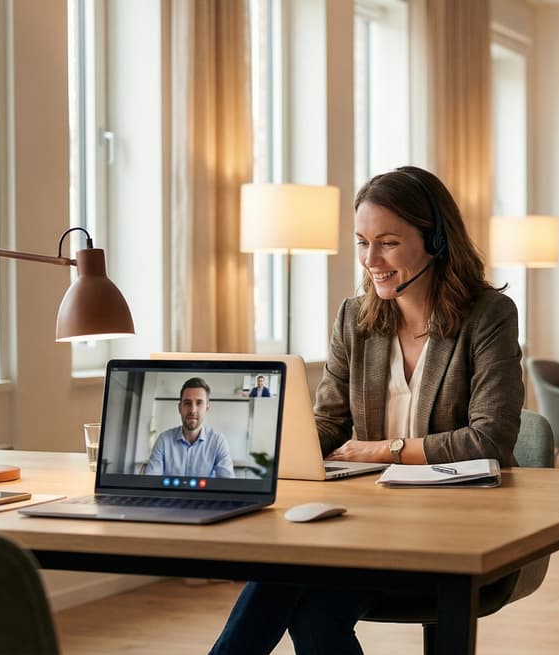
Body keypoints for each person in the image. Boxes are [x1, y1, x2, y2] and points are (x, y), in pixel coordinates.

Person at [210, 166, 524, 655]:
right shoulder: (355, 318)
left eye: (388, 243)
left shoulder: (487, 316)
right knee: (298, 593)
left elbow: (489, 441)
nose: (371, 260)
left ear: (436, 240)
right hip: (367, 527)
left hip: (459, 532)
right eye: (362, 242)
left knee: (298, 593)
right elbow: (331, 422)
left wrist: (388, 449)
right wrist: (260, 448)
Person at [144, 377, 234, 478]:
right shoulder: (164, 440)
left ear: (207, 408)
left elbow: (227, 486)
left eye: (199, 403)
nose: (192, 410)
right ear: (179, 408)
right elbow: (150, 482)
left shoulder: (218, 442)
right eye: (187, 403)